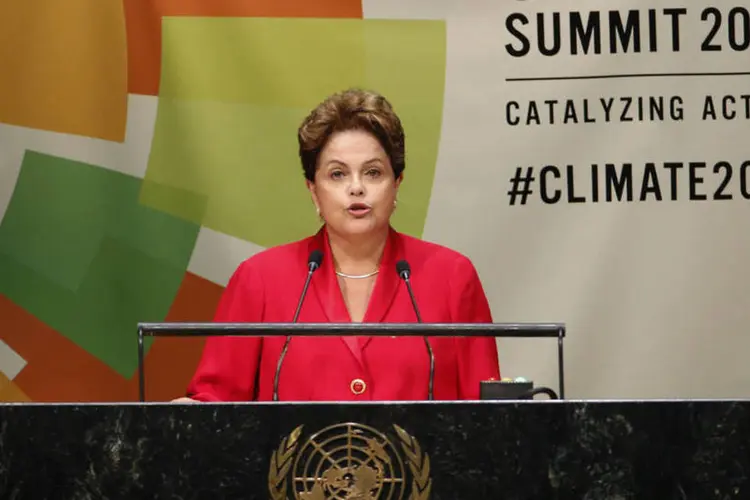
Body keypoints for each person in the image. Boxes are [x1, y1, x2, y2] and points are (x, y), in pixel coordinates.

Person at [176, 88, 500, 403]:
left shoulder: (452, 278)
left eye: (373, 173)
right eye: (337, 174)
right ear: (314, 191)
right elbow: (215, 406)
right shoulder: (259, 280)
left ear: (396, 184)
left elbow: (490, 417)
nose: (356, 188)